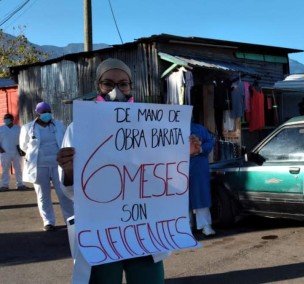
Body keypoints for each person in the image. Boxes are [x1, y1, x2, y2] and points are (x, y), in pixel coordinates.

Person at [57, 58, 197, 283]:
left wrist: (181, 154)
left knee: (148, 279)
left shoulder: (151, 127)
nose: (116, 91)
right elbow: (71, 191)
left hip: (144, 229)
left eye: (123, 84)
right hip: (101, 230)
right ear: (98, 87)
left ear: (131, 87)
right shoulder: (79, 129)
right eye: (108, 84)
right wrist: (70, 169)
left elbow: (161, 176)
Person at [19, 102, 74, 231]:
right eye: (43, 112)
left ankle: (70, 219)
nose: (46, 114)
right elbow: (23, 146)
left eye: (48, 111)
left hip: (57, 165)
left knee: (64, 193)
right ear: (38, 113)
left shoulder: (59, 125)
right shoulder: (27, 128)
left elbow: (65, 141)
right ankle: (48, 221)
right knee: (43, 195)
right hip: (39, 165)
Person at [189, 122, 216, 236]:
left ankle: (205, 224)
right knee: (181, 197)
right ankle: (185, 226)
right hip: (178, 166)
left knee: (201, 194)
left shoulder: (199, 128)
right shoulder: (173, 127)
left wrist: (200, 149)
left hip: (198, 165)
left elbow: (210, 141)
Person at [0, 113, 29, 191]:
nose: (5, 120)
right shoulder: (1, 129)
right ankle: (4, 185)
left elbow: (23, 140)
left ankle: (20, 184)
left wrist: (24, 150)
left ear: (12, 120)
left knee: (19, 169)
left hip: (17, 152)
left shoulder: (18, 129)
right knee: (5, 169)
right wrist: (1, 149)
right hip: (5, 152)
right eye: (5, 119)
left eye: (7, 119)